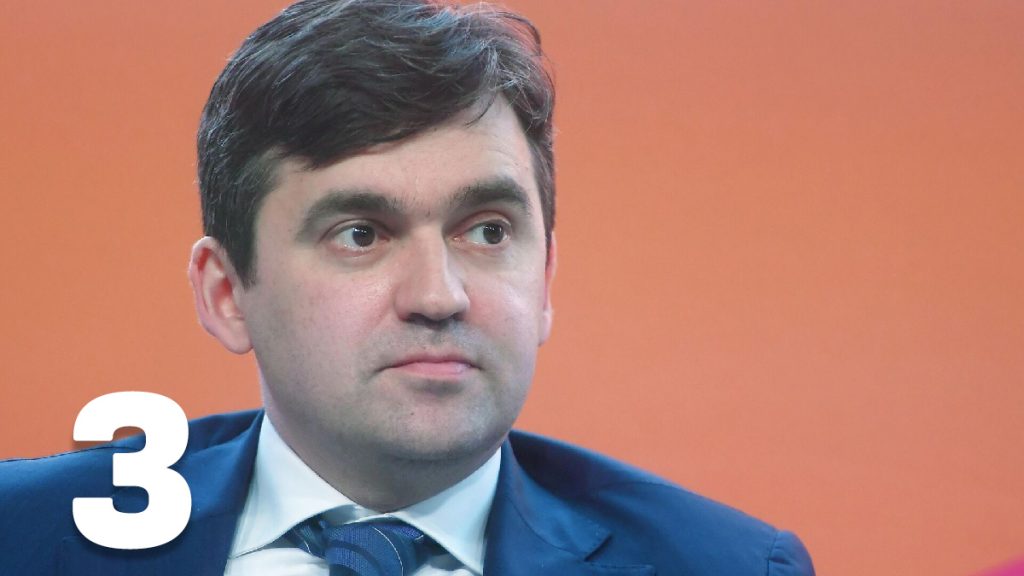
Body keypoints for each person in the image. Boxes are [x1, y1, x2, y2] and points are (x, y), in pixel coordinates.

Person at [0, 1, 815, 574]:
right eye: (361, 234)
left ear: (545, 280)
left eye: (486, 231)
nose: (439, 295)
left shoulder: (728, 566)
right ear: (226, 294)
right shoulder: (22, 537)